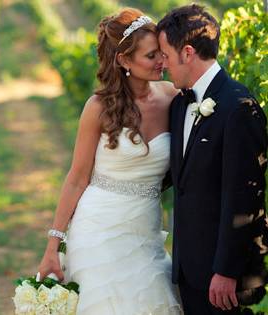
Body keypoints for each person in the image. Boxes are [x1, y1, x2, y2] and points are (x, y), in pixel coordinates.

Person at [37, 8, 182, 314]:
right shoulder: (98, 107)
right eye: (151, 55)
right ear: (123, 60)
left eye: (162, 53)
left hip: (146, 232)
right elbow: (77, 177)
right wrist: (54, 245)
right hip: (98, 231)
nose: (161, 61)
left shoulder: (172, 97)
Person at [157, 4, 268, 315]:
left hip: (224, 282)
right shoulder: (180, 105)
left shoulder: (239, 107)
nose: (163, 64)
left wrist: (227, 271)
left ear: (188, 52)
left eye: (165, 55)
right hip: (188, 270)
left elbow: (244, 199)